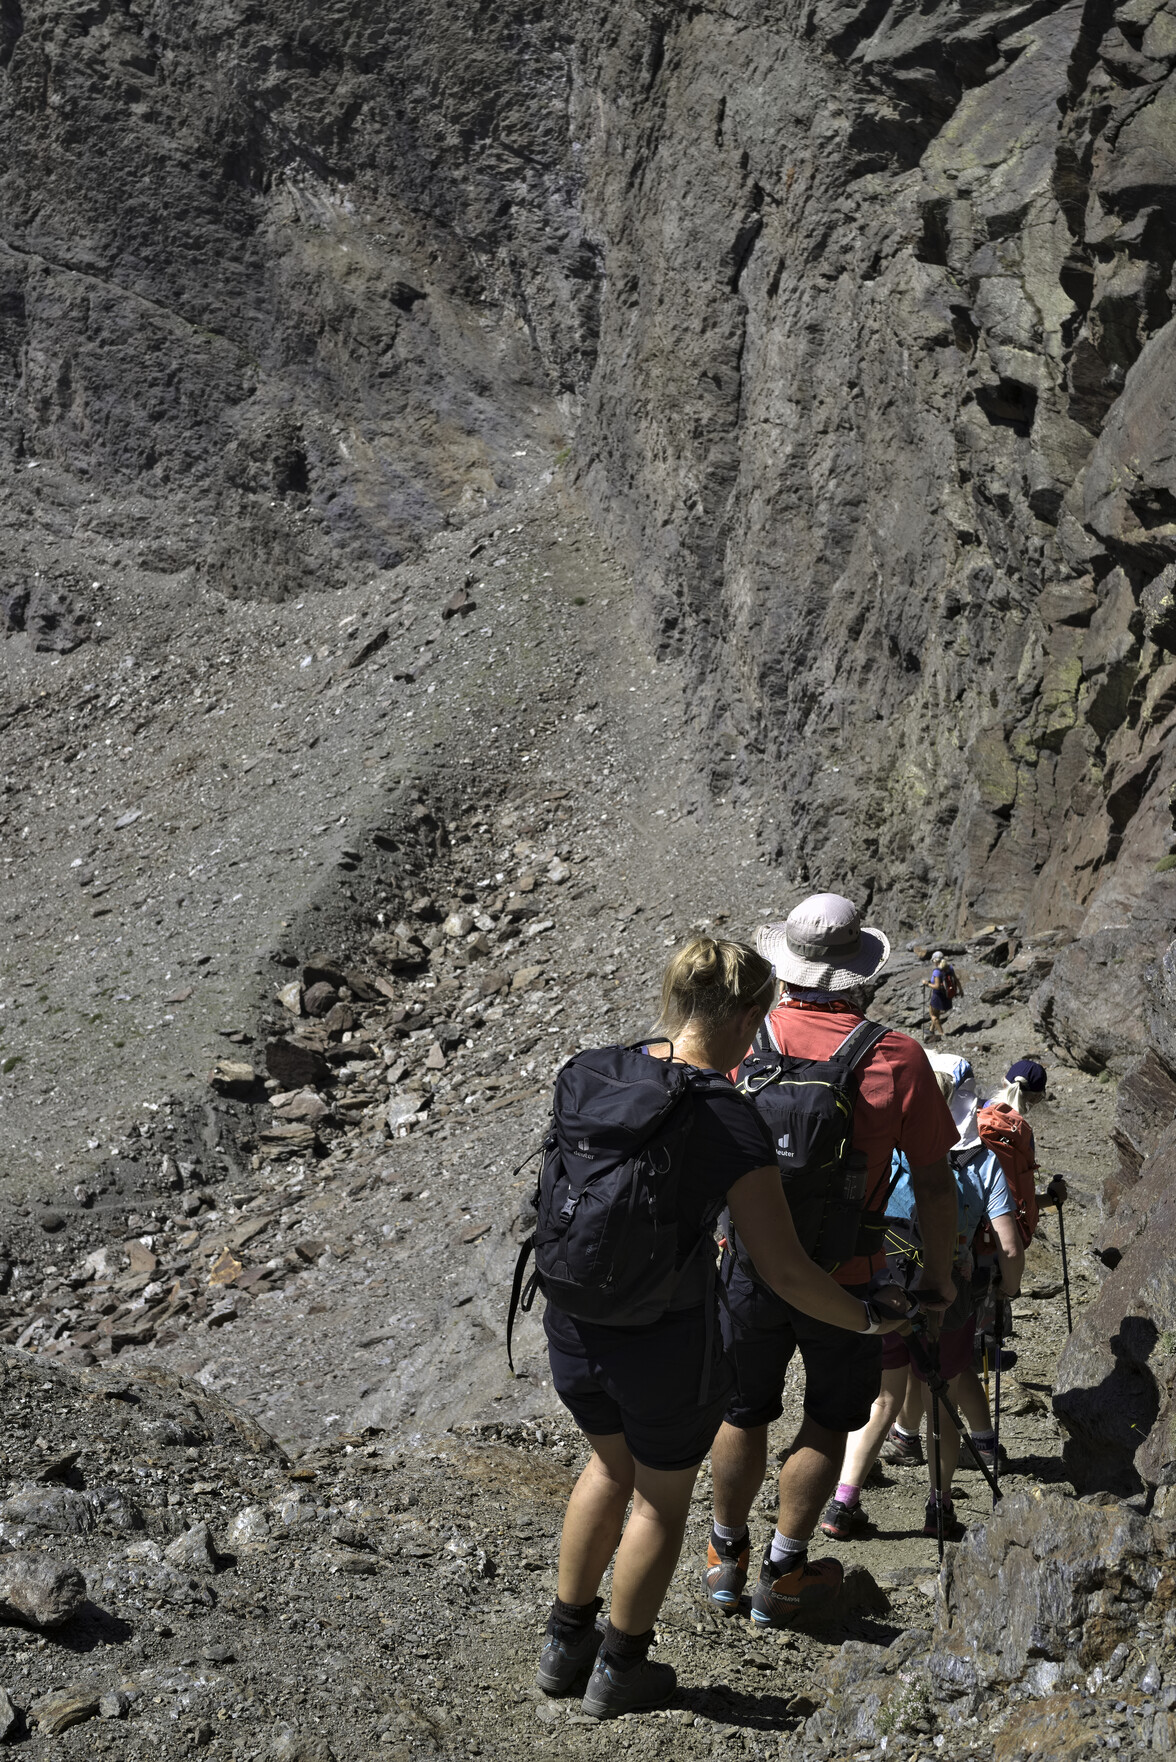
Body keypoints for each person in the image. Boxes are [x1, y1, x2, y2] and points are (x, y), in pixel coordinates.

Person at [538, 937, 910, 1718]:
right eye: (759, 1016)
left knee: (606, 1469)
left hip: (573, 1321)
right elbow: (784, 1270)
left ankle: (561, 1646)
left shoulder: (597, 1069)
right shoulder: (725, 1117)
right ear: (746, 1014)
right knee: (658, 1504)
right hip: (662, 1339)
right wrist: (865, 1319)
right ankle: (619, 1671)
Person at [704, 894, 959, 1628]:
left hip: (747, 1265)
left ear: (787, 966)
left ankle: (725, 1558)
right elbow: (936, 1185)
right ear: (858, 974)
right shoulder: (896, 1056)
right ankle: (786, 1573)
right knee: (826, 1418)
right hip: (850, 1279)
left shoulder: (744, 1039)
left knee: (742, 1409)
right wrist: (937, 1281)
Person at [821, 1065, 1025, 1540]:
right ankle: (939, 1504)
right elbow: (1009, 1247)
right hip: (947, 1297)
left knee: (884, 1397)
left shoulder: (888, 1149)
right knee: (942, 1400)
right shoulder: (981, 1161)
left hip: (884, 1284)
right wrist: (1007, 1289)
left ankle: (842, 1501)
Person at [922, 951, 961, 1038]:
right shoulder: (949, 968)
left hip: (937, 996)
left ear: (936, 960)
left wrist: (926, 983)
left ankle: (942, 1034)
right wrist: (961, 990)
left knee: (933, 1015)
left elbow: (937, 986)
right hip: (946, 995)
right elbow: (956, 979)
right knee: (937, 1013)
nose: (933, 963)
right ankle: (931, 1031)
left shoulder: (937, 971)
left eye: (933, 961)